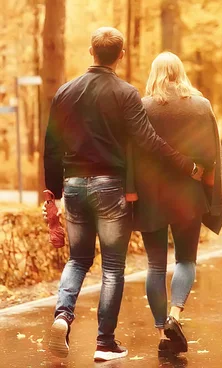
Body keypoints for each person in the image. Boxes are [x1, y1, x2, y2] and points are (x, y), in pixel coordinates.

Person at [43, 28, 204, 362]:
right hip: (109, 187)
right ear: (121, 55)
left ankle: (62, 314)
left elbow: (51, 147)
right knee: (113, 268)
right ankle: (104, 343)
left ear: (90, 51)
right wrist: (186, 166)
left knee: (78, 259)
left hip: (73, 186)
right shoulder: (125, 93)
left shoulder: (64, 92)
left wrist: (53, 194)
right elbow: (147, 141)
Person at [132, 52, 222, 356]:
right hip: (188, 195)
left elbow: (130, 156)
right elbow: (211, 157)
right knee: (186, 260)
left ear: (154, 73)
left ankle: (162, 333)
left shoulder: (142, 108)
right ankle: (176, 315)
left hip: (151, 197)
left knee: (155, 265)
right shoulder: (201, 107)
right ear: (181, 72)